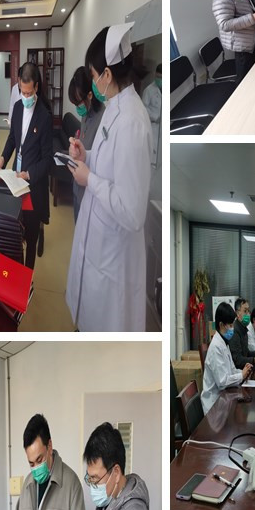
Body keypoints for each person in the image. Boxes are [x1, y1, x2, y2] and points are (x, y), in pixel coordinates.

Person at [65, 23, 152, 332]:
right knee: (86, 315)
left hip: (113, 254)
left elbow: (132, 212)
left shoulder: (132, 122)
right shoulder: (114, 107)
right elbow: (109, 163)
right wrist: (86, 156)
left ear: (106, 74)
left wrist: (89, 179)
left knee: (103, 324)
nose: (93, 81)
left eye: (93, 74)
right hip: (97, 240)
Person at [0, 62, 53, 269]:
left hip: (33, 185)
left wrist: (29, 174)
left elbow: (48, 159)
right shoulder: (17, 108)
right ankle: (16, 275)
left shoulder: (44, 116)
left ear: (36, 87)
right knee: (15, 232)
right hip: (16, 182)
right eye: (22, 92)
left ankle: (27, 278)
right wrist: (2, 158)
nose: (25, 97)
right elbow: (12, 139)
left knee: (31, 237)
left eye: (29, 93)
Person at [201, 302, 254, 414]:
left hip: (223, 398)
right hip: (214, 406)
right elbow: (222, 382)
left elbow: (231, 369)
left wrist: (243, 372)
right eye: (230, 325)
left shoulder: (224, 343)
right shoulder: (216, 347)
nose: (232, 329)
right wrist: (241, 375)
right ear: (221, 325)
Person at [68, 66, 105, 223]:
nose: (78, 108)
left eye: (78, 103)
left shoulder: (103, 119)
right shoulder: (86, 114)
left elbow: (100, 160)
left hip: (90, 189)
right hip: (78, 184)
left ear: (90, 95)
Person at [229, 298, 255, 370]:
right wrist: (254, 360)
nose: (248, 314)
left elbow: (246, 353)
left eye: (248, 311)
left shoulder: (243, 329)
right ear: (237, 313)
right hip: (238, 372)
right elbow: (237, 360)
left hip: (245, 369)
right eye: (245, 311)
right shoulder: (235, 331)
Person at [142, 64, 161, 167]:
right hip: (153, 125)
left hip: (163, 127)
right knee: (152, 158)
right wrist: (155, 117)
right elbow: (143, 109)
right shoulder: (149, 90)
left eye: (162, 77)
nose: (160, 80)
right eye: (158, 77)